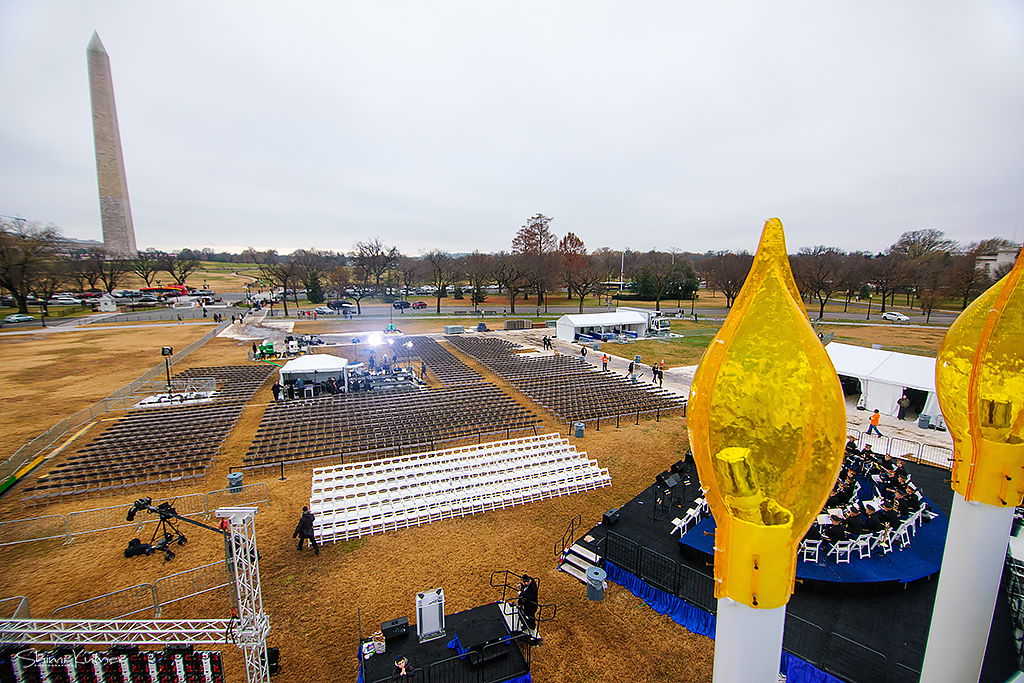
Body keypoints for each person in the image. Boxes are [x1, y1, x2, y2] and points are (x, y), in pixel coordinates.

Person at [517, 574, 540, 643]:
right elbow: (524, 587)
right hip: (524, 604)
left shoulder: (533, 588)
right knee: (522, 613)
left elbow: (528, 597)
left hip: (530, 606)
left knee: (530, 616)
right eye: (524, 582)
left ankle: (532, 627)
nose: (526, 583)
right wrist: (521, 586)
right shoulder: (528, 582)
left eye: (527, 582)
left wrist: (521, 593)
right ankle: (524, 624)